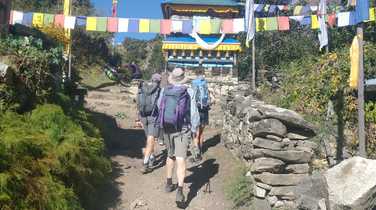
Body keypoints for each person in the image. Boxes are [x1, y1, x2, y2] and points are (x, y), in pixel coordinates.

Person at [158, 68, 199, 206]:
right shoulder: (189, 91)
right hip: (183, 129)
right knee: (181, 159)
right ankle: (180, 191)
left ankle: (169, 183)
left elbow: (159, 107)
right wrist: (194, 131)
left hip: (167, 128)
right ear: (183, 78)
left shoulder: (165, 90)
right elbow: (193, 113)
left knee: (170, 156)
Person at [136, 73, 162, 174]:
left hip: (143, 115)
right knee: (151, 138)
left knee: (148, 138)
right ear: (159, 81)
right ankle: (146, 163)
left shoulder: (142, 86)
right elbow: (160, 105)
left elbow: (137, 101)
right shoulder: (159, 89)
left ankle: (151, 156)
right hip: (153, 116)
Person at [190, 74, 211, 163]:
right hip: (205, 109)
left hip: (197, 109)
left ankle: (197, 154)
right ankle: (201, 150)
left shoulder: (193, 83)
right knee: (201, 132)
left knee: (195, 133)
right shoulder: (204, 83)